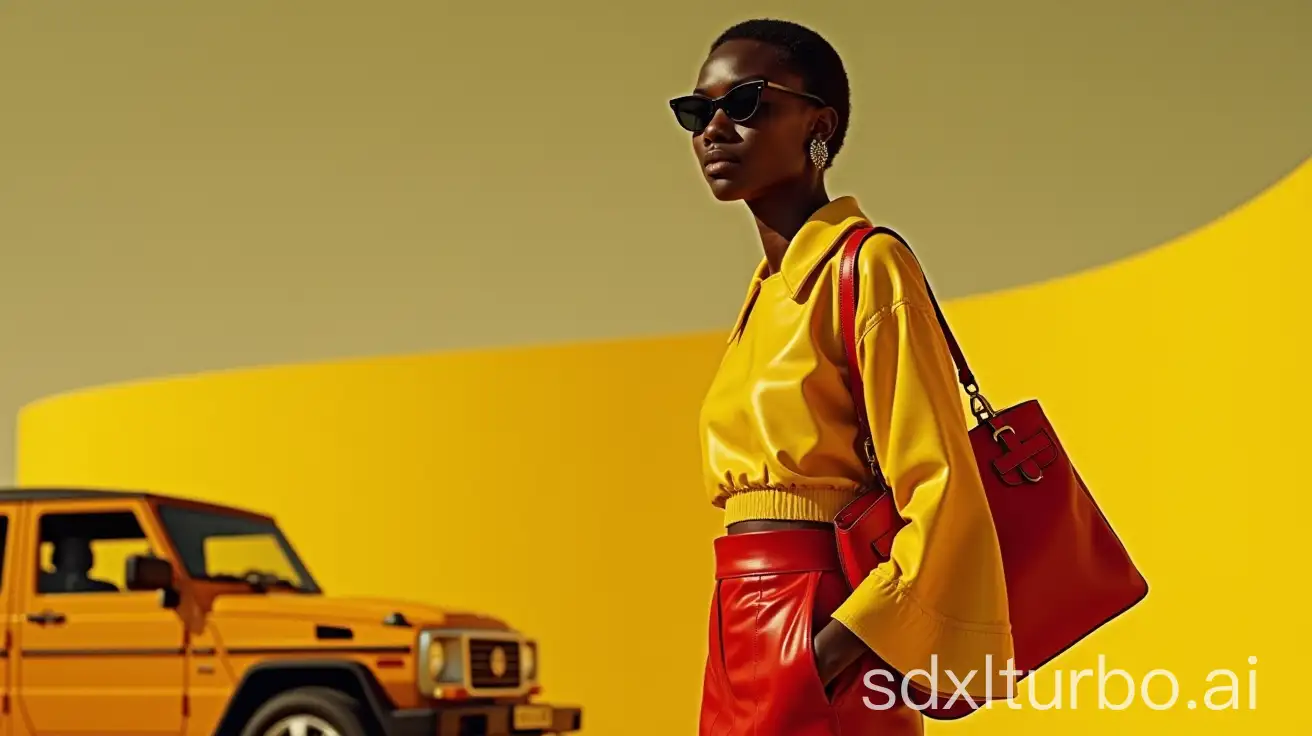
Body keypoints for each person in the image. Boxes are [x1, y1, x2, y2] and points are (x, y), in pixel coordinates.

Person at [672, 18, 1015, 735]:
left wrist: (826, 655)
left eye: (745, 104)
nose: (713, 130)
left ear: (818, 124)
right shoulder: (766, 293)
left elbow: (943, 493)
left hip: (824, 621)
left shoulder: (868, 265)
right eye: (697, 112)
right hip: (737, 620)